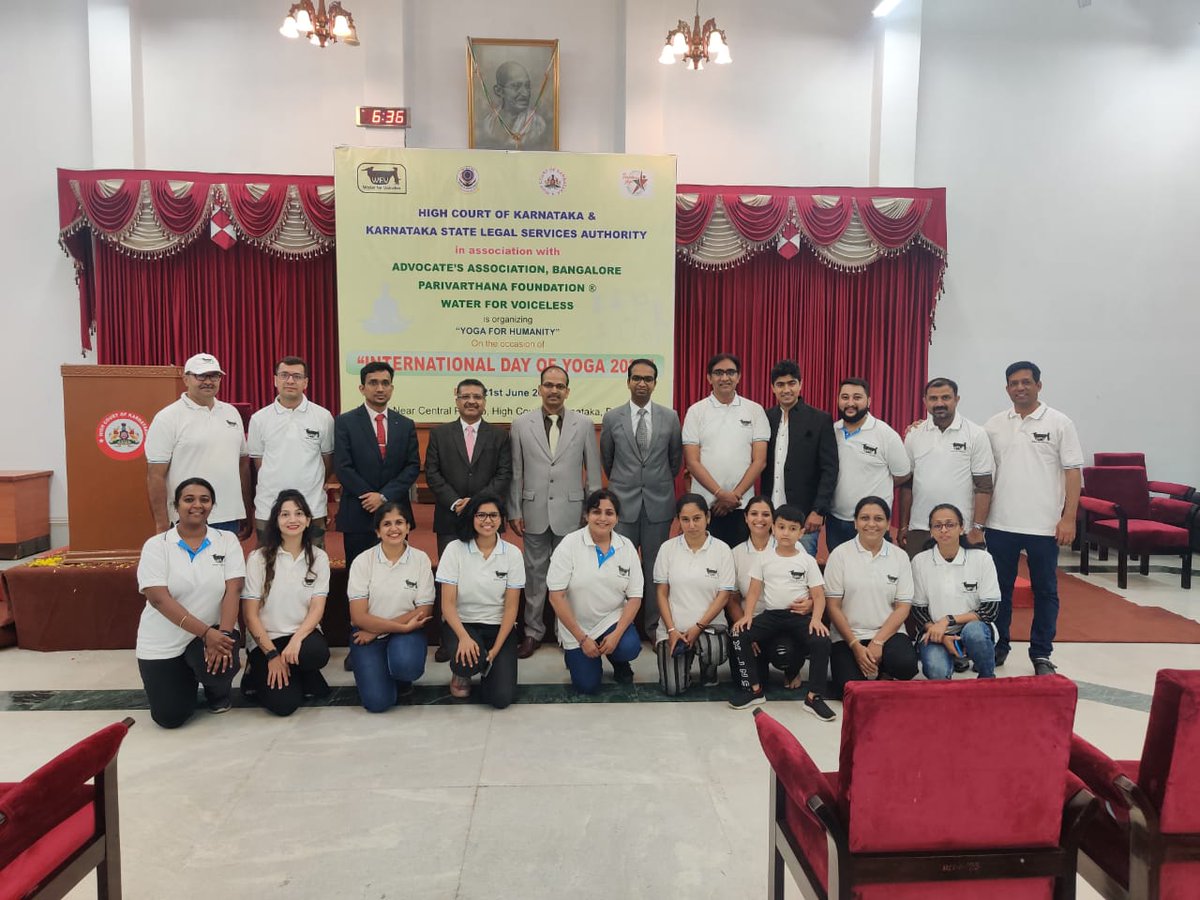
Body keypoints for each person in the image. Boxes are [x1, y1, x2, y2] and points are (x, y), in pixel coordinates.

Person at [984, 361, 1083, 675]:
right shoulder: (995, 425)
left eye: (1026, 382)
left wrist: (1068, 518)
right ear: (1007, 388)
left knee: (1045, 591)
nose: (1020, 388)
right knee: (998, 591)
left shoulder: (1059, 423)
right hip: (1000, 523)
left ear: (1039, 385)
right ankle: (998, 647)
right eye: (1014, 383)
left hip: (1043, 526)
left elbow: (1072, 472)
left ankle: (1041, 653)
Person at [135, 477, 245, 728]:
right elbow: (158, 599)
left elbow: (233, 590)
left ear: (212, 506)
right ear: (176, 506)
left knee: (221, 665)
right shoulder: (157, 546)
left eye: (204, 500)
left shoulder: (226, 540)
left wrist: (224, 636)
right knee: (170, 718)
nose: (197, 505)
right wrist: (205, 633)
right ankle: (185, 678)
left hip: (213, 635)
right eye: (189, 499)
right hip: (164, 641)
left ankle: (216, 690)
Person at [508, 365, 602, 658]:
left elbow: (593, 473)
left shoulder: (584, 424)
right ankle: (533, 632)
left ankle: (569, 634)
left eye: (560, 386)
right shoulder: (521, 424)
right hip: (533, 510)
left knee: (571, 576)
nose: (554, 391)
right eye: (548, 385)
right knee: (535, 575)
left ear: (567, 391)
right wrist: (514, 509)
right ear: (539, 388)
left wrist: (593, 510)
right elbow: (516, 471)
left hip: (572, 513)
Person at [425, 378, 513, 662]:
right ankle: (447, 636)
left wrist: (475, 506)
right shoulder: (440, 434)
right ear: (457, 399)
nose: (471, 401)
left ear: (485, 401)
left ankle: (485, 629)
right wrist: (456, 502)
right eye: (466, 396)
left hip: (486, 520)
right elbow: (433, 474)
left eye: (477, 397)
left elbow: (503, 474)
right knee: (451, 580)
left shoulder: (499, 435)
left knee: (483, 578)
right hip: (450, 517)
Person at [727, 504, 835, 719]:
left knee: (822, 640)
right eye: (782, 527)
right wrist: (747, 616)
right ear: (774, 529)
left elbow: (819, 595)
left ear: (801, 532)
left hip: (797, 616)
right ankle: (754, 690)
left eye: (793, 528)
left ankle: (814, 697)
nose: (786, 533)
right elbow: (755, 590)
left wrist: (816, 619)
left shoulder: (807, 560)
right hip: (771, 615)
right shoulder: (763, 559)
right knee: (739, 634)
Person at [600, 358, 683, 639]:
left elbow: (675, 461)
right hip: (622, 506)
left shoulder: (670, 417)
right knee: (619, 569)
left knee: (654, 569)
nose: (642, 383)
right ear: (628, 382)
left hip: (658, 505)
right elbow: (607, 462)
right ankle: (617, 628)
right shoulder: (612, 418)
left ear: (655, 384)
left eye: (648, 379)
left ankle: (652, 627)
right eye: (637, 378)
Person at [240, 489, 331, 716]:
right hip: (266, 641)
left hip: (300, 638)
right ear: (276, 521)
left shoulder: (319, 557)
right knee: (284, 706)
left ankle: (296, 671)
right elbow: (250, 615)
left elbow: (317, 608)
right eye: (285, 514)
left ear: (308, 520)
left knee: (316, 653)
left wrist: (296, 641)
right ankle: (256, 671)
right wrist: (271, 655)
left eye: (299, 513)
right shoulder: (258, 559)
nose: (293, 520)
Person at [145, 353, 252, 539]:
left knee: (224, 567)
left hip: (229, 516)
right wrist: (161, 523)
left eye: (214, 376)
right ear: (186, 378)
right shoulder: (167, 417)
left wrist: (247, 509)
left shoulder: (231, 413)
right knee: (187, 568)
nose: (208, 381)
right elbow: (155, 475)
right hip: (187, 516)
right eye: (201, 376)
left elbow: (243, 465)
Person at [546, 490, 643, 694]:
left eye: (609, 513)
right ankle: (575, 656)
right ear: (586, 515)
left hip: (611, 621)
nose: (602, 518)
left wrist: (616, 635)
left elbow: (635, 597)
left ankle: (618, 660)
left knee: (628, 647)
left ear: (617, 518)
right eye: (596, 512)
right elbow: (556, 597)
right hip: (577, 627)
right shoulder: (569, 545)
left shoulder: (626, 547)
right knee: (587, 686)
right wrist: (582, 638)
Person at [436, 494, 524, 709]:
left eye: (493, 515)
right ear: (471, 518)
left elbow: (511, 607)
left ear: (501, 519)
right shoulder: (455, 549)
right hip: (463, 624)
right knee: (467, 663)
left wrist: (496, 648)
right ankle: (462, 673)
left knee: (502, 699)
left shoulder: (512, 553)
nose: (487, 520)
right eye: (481, 515)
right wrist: (464, 638)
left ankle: (488, 666)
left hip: (498, 627)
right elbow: (447, 604)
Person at [825, 495, 919, 695]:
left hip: (888, 634)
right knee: (850, 688)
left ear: (887, 524)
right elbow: (833, 606)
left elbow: (903, 607)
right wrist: (855, 646)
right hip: (848, 636)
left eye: (878, 519)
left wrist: (878, 642)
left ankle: (884, 670)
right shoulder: (840, 555)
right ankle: (869, 666)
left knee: (905, 666)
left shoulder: (899, 557)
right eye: (864, 518)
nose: (871, 524)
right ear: (855, 523)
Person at [345, 501, 435, 712]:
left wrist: (382, 631)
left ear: (408, 527)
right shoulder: (363, 561)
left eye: (399, 522)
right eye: (386, 524)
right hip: (367, 632)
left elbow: (424, 611)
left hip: (403, 633)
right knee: (377, 703)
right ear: (377, 531)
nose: (393, 529)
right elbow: (358, 616)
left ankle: (401, 677)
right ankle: (380, 674)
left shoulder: (420, 560)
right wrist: (397, 626)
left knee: (406, 665)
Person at [333, 361, 421, 568]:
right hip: (358, 510)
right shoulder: (345, 422)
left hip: (395, 513)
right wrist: (369, 496)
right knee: (358, 573)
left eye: (385, 383)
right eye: (373, 383)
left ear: (392, 388)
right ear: (362, 388)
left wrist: (383, 497)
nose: (380, 388)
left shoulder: (405, 424)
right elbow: (343, 466)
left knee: (397, 572)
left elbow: (412, 466)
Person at [898, 377, 994, 559]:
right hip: (920, 528)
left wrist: (978, 528)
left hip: (960, 528)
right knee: (919, 584)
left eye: (945, 397)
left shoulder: (976, 434)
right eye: (933, 398)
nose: (939, 403)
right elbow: (907, 485)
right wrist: (904, 526)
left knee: (960, 584)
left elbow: (984, 486)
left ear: (957, 399)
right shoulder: (914, 434)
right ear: (925, 402)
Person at [681, 352, 770, 548]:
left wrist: (734, 496)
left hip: (742, 505)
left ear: (739, 377)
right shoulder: (696, 411)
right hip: (705, 506)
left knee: (740, 566)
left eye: (730, 372)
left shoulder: (754, 410)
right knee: (706, 564)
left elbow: (760, 460)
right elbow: (692, 462)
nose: (724, 378)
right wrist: (720, 494)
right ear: (709, 378)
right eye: (718, 373)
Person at [652, 494, 735, 696]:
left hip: (709, 626)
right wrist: (671, 629)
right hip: (674, 628)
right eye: (685, 520)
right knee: (673, 689)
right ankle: (684, 663)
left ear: (708, 517)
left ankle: (709, 669)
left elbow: (724, 595)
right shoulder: (667, 549)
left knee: (714, 651)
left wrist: (698, 627)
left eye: (697, 518)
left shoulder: (722, 550)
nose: (691, 525)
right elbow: (661, 593)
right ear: (679, 521)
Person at [247, 356, 334, 548]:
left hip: (311, 507)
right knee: (268, 567)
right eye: (284, 375)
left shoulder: (323, 417)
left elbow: (327, 461)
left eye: (296, 376)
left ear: (306, 382)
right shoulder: (259, 419)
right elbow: (259, 464)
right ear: (275, 379)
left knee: (313, 568)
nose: (290, 381)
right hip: (269, 507)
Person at [911, 503, 1000, 680]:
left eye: (950, 524)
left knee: (974, 634)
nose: (944, 530)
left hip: (972, 628)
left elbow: (990, 610)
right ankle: (953, 659)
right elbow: (918, 610)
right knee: (937, 672)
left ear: (961, 528)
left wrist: (949, 620)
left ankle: (987, 677)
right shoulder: (920, 561)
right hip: (936, 632)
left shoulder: (982, 558)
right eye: (938, 525)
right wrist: (942, 634)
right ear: (931, 531)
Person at [761, 359, 838, 557]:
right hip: (768, 516)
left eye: (791, 383)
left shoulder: (820, 419)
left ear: (800, 384)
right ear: (772, 388)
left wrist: (818, 511)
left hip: (804, 518)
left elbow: (829, 470)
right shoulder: (764, 418)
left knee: (800, 575)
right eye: (780, 384)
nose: (786, 390)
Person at [827, 378, 911, 552]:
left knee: (875, 575)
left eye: (857, 397)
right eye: (845, 397)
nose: (850, 403)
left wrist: (876, 485)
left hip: (872, 524)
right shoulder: (831, 431)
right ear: (838, 400)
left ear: (869, 401)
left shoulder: (885, 434)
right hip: (836, 521)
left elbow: (903, 474)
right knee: (841, 575)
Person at [728, 497, 804, 685]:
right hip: (752, 622)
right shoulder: (736, 553)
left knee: (784, 654)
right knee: (744, 681)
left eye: (766, 514)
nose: (759, 519)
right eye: (754, 514)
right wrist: (746, 632)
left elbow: (811, 586)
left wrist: (809, 603)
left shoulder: (792, 545)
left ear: (773, 519)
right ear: (745, 518)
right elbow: (733, 599)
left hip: (784, 620)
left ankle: (792, 669)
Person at [480, 61, 550, 151]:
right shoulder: (488, 123)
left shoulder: (537, 125)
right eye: (516, 86)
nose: (525, 93)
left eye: (527, 86)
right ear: (499, 91)